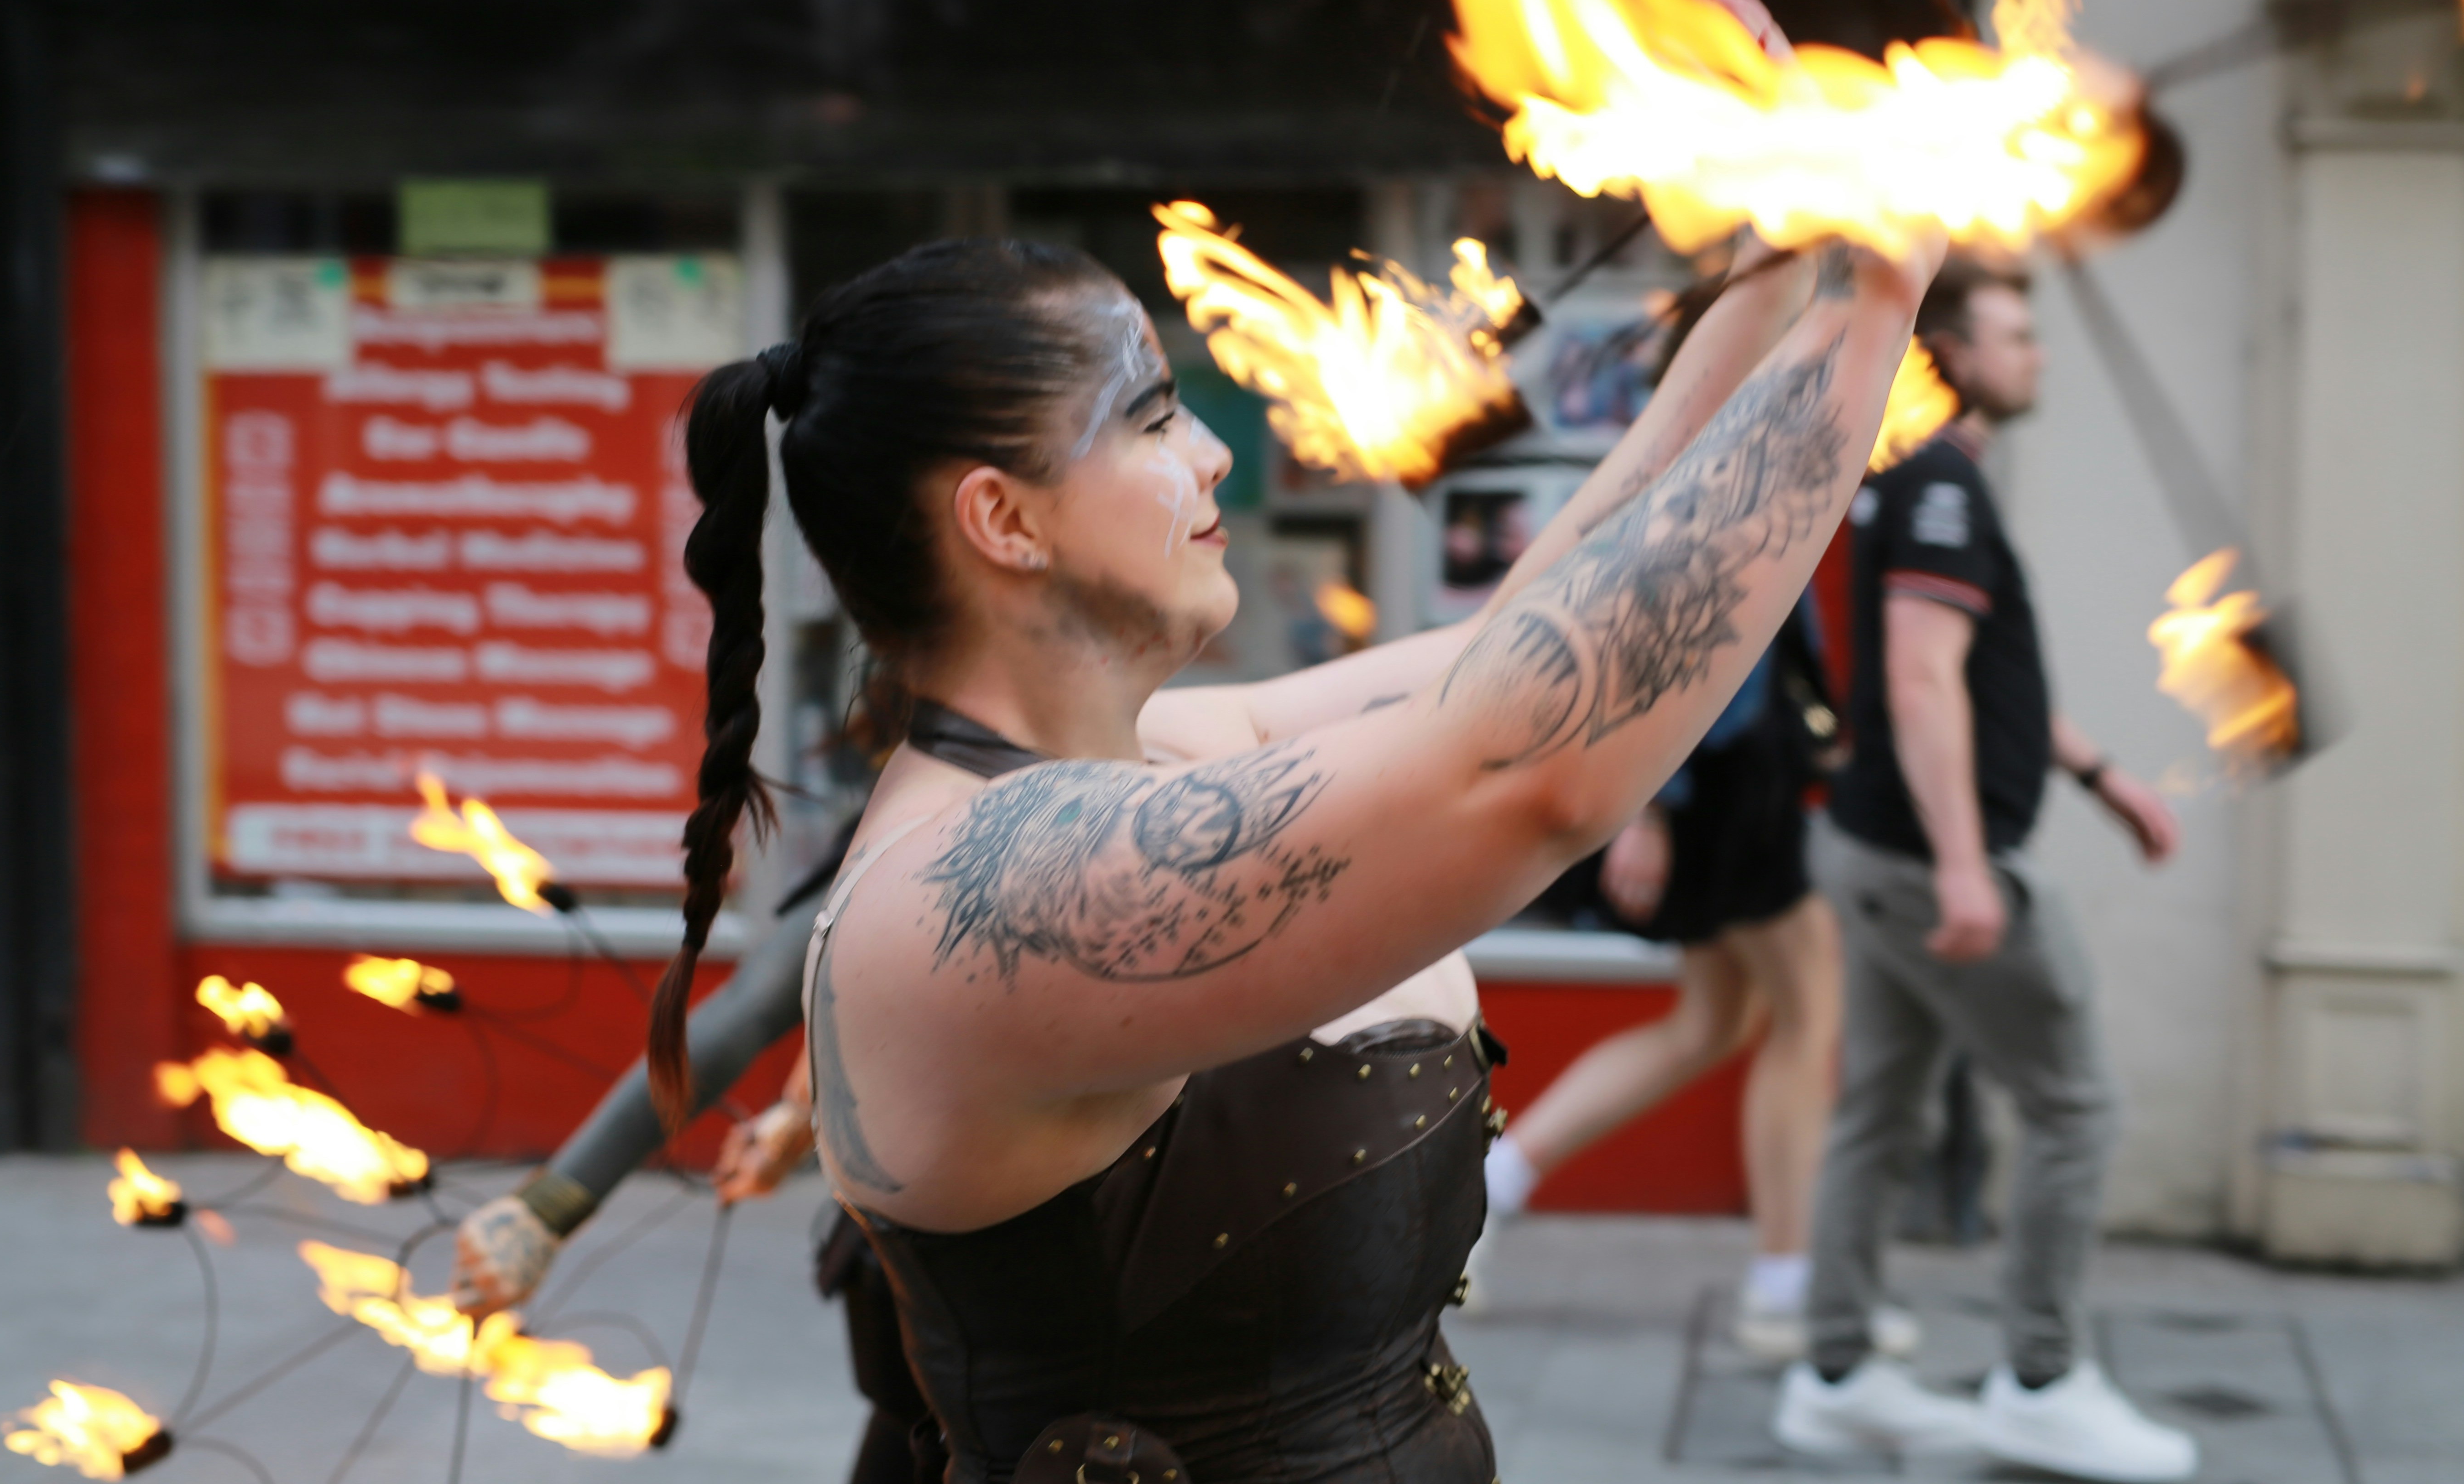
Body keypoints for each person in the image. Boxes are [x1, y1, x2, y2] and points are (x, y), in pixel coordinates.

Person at [642, 73, 1943, 1482]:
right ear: (1002, 520)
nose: (1212, 456)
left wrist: (1764, 258)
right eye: (1153, 422)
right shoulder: (974, 895)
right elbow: (1534, 768)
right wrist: (1876, 294)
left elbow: (1521, 656)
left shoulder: (1178, 752)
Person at [1771, 261, 2195, 1484]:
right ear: (1956, 352)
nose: (2040, 355)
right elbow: (1919, 679)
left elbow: (1986, 679)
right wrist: (1969, 869)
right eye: (2018, 336)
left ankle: (1836, 1378)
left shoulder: (1925, 477)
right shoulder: (1945, 483)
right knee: (2076, 1108)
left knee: (1879, 1112)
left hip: (1870, 848)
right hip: (1926, 863)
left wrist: (2103, 776)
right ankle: (2043, 1384)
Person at [1476, 600, 1920, 1364]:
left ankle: (1488, 1190)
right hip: (1724, 780)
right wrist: (1650, 808)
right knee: (1808, 1015)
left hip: (1726, 775)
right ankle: (1785, 1289)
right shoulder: (1739, 476)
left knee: (1714, 1022)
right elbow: (1674, 621)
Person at [448, 813, 933, 1484]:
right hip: (941, 1304)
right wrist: (545, 1210)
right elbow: (781, 994)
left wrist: (802, 1114)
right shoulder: (943, 793)